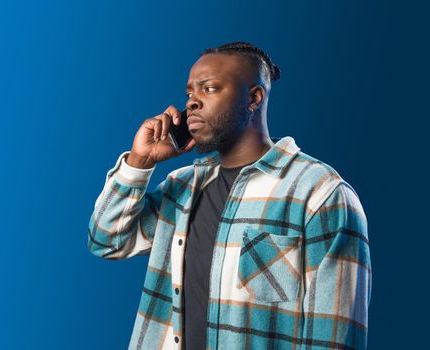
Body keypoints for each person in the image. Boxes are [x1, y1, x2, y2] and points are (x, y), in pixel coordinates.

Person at [88, 41, 371, 350]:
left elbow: (333, 338)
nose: (193, 102)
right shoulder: (181, 188)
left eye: (209, 89)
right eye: (189, 93)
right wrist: (140, 162)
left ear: (253, 98)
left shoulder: (319, 194)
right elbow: (107, 241)